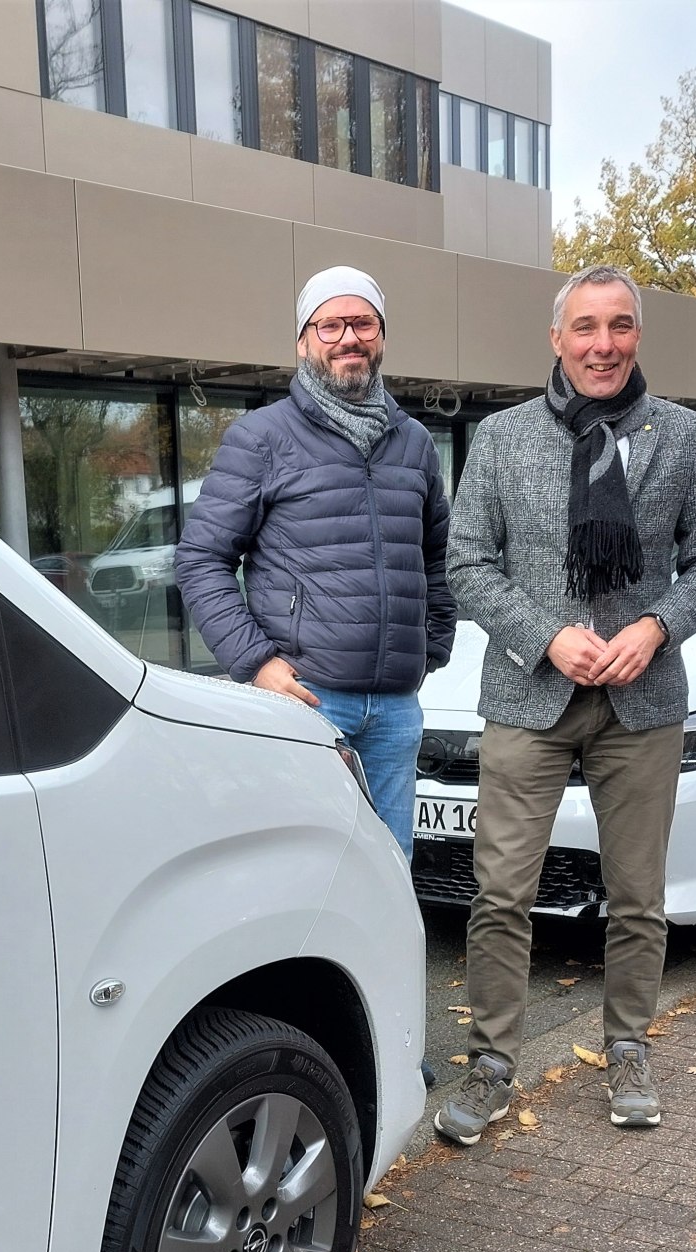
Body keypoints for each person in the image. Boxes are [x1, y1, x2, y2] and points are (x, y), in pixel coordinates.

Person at [434, 264, 696, 1144]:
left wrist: (656, 625)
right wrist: (543, 634)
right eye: (584, 328)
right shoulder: (499, 439)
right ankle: (492, 1061)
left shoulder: (684, 437)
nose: (601, 345)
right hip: (528, 696)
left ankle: (627, 1046)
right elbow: (467, 565)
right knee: (499, 893)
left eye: (617, 327)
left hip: (640, 701)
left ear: (636, 336)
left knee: (637, 893)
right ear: (556, 340)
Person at [175, 265, 456, 866]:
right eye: (330, 325)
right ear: (304, 341)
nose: (348, 338)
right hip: (306, 699)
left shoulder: (414, 443)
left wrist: (431, 646)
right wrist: (255, 664)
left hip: (396, 707)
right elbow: (201, 559)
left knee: (389, 869)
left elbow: (437, 556)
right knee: (307, 870)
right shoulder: (261, 437)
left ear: (381, 335)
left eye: (362, 322)